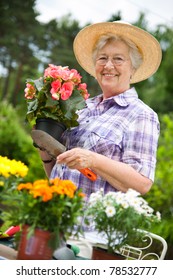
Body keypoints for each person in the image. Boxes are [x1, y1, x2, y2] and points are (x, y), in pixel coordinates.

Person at [0, 21, 161, 260]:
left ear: (133, 69)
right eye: (102, 58)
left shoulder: (142, 115)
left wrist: (93, 160)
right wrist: (46, 152)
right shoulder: (81, 108)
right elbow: (58, 173)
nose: (108, 65)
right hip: (52, 227)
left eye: (118, 59)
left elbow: (142, 184)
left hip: (91, 241)